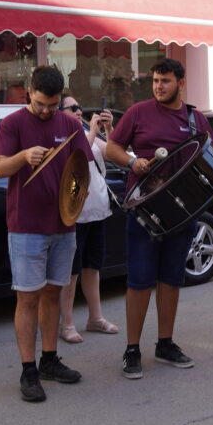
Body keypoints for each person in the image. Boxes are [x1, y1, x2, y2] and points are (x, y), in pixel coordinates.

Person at [105, 58, 213, 379]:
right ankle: (132, 349)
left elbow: (209, 160)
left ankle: (165, 343)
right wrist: (132, 162)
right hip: (144, 209)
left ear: (181, 83)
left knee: (171, 279)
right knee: (139, 280)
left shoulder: (196, 120)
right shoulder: (138, 113)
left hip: (181, 213)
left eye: (165, 81)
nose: (158, 86)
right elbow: (111, 147)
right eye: (155, 81)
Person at [0, 67, 91, 402]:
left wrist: (80, 194)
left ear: (61, 97)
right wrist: (22, 156)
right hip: (27, 226)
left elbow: (81, 170)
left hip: (64, 223)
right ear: (29, 92)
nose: (46, 111)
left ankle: (49, 359)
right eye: (39, 104)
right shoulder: (14, 123)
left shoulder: (71, 125)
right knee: (28, 298)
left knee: (54, 294)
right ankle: (28, 370)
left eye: (52, 105)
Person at [56, 95, 120, 343]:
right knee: (71, 272)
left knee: (92, 267)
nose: (79, 111)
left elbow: (113, 153)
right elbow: (76, 159)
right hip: (74, 213)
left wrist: (109, 129)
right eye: (73, 108)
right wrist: (92, 132)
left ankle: (96, 317)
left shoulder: (84, 131)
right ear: (60, 112)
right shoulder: (63, 134)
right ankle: (67, 324)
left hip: (96, 209)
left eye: (80, 107)